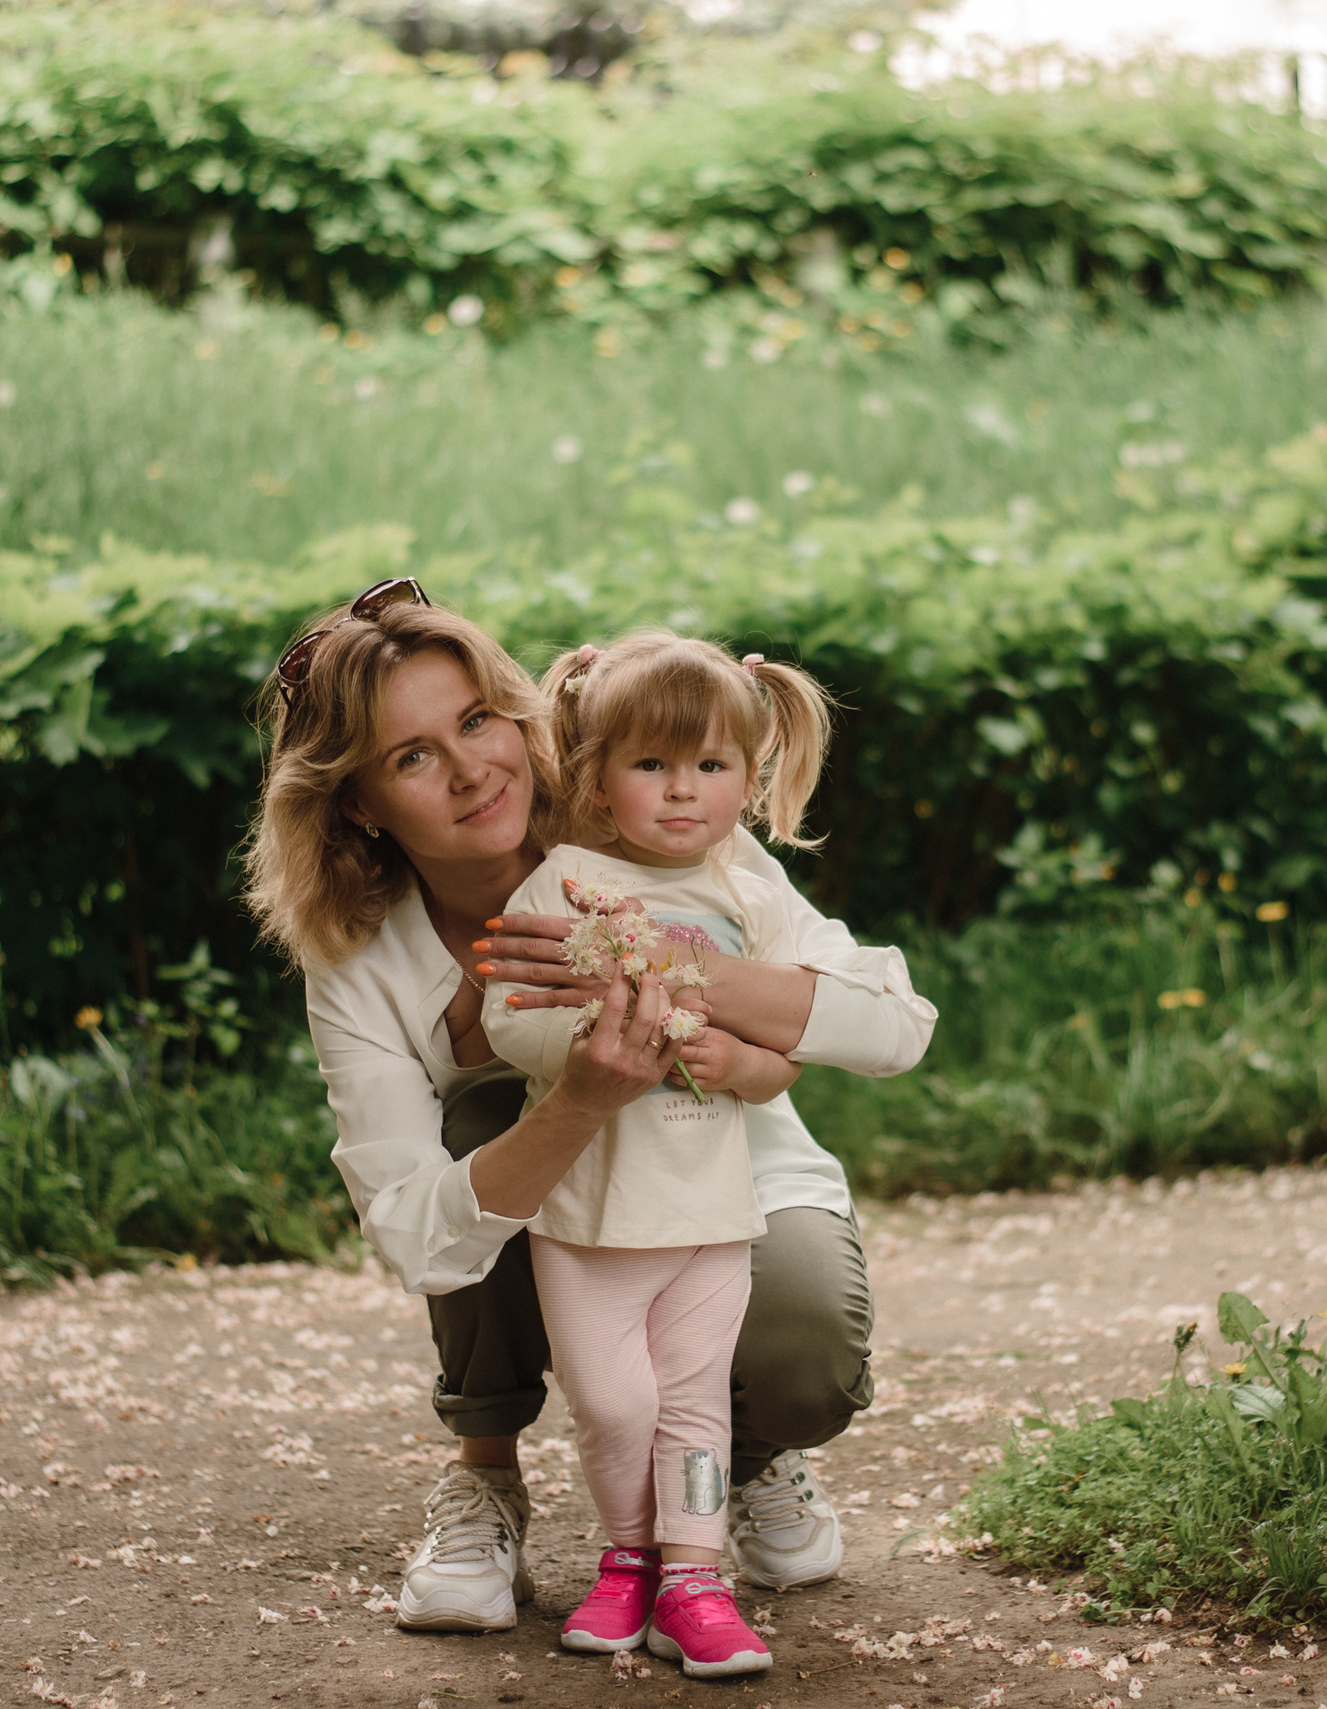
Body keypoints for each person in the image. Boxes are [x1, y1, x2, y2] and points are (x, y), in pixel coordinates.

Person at [242, 581, 936, 1640]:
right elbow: (417, 1232)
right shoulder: (360, 952)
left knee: (808, 1351)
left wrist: (689, 972)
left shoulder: (644, 817)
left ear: (519, 715)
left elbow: (892, 1023)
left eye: (477, 719)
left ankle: (735, 1455)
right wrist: (579, 1094)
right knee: (480, 1113)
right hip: (563, 1213)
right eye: (414, 754)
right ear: (360, 801)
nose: (473, 768)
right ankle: (484, 1473)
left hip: (723, 1175)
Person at [478, 632, 877, 1678]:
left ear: (749, 777)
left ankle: (691, 1579)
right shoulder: (565, 882)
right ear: (600, 775)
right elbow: (506, 1021)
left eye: (710, 765)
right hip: (590, 1208)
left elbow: (793, 1038)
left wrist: (742, 1056)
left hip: (710, 1205)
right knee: (616, 1398)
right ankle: (626, 1555)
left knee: (694, 1401)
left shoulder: (750, 892)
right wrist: (596, 1031)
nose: (682, 791)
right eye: (651, 764)